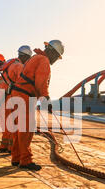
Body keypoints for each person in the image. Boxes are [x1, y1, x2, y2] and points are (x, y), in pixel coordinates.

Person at [10, 40, 64, 171]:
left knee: (20, 129)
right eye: (56, 57)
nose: (55, 60)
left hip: (18, 95)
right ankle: (25, 161)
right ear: (51, 52)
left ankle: (16, 157)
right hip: (24, 97)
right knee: (26, 130)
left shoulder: (36, 58)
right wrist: (46, 99)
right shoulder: (43, 61)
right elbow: (41, 82)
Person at [0, 45, 33, 154]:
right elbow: (22, 83)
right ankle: (12, 149)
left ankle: (4, 146)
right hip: (9, 97)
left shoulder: (11, 65)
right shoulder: (19, 66)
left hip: (1, 97)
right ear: (26, 56)